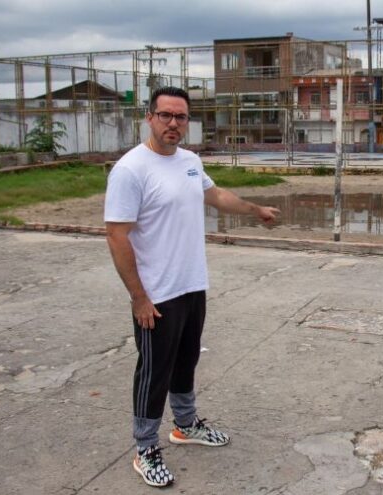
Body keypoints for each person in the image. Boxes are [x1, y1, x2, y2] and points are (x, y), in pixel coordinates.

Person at [104, 86, 280, 488]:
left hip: (191, 285)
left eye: (180, 117)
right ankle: (145, 447)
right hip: (156, 295)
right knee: (154, 372)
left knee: (186, 362)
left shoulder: (189, 161)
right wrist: (139, 297)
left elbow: (214, 194)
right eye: (165, 115)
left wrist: (256, 210)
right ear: (148, 117)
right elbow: (117, 236)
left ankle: (185, 425)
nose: (173, 123)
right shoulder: (131, 169)